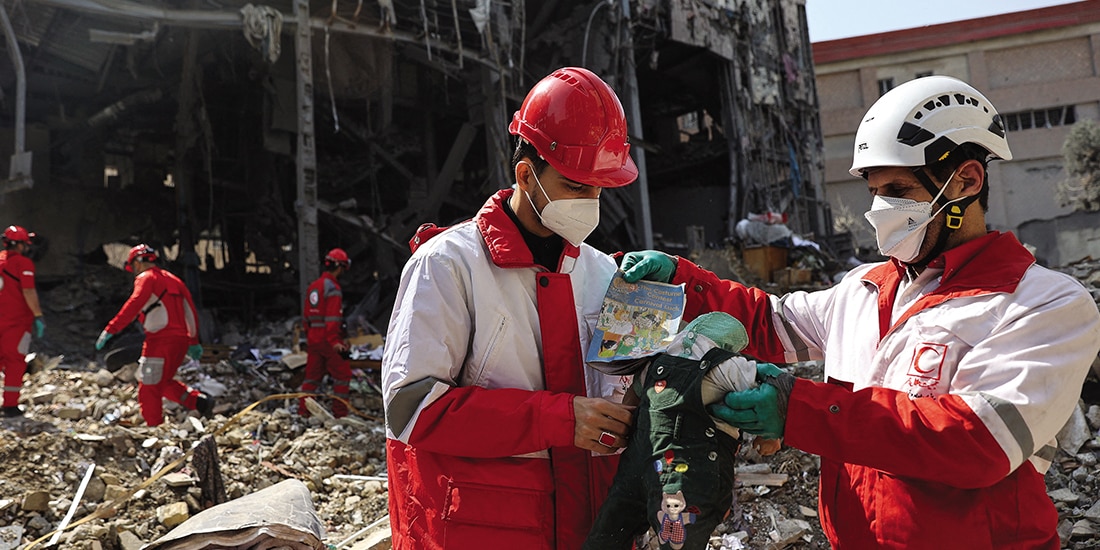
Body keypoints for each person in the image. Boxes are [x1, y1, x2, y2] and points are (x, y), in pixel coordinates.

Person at [620, 75, 1100, 549]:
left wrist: (799, 409)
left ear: (966, 181)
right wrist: (684, 284)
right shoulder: (862, 289)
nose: (878, 208)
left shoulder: (1043, 303)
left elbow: (978, 442)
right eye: (873, 190)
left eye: (897, 188)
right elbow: (770, 323)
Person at [382, 67, 640, 550]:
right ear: (527, 174)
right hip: (483, 530)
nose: (591, 203)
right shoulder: (448, 265)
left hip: (587, 527)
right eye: (576, 187)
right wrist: (561, 419)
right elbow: (410, 408)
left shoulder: (604, 273)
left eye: (600, 189)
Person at [584, 311, 780, 550]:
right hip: (674, 471)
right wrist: (768, 437)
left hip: (654, 467)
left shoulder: (661, 360)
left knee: (614, 527)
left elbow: (632, 400)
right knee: (664, 537)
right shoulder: (728, 365)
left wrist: (623, 427)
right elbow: (766, 397)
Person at [95, 244, 213, 426]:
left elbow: (133, 305)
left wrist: (111, 329)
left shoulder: (146, 278)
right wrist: (193, 340)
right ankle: (198, 402)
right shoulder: (175, 280)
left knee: (148, 386)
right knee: (163, 382)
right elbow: (190, 311)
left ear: (138, 263)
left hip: (159, 342)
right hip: (180, 342)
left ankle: (154, 427)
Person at [299, 248, 352, 418]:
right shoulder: (333, 288)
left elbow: (306, 317)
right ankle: (340, 414)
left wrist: (310, 336)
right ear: (340, 267)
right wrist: (336, 342)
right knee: (343, 375)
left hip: (314, 339)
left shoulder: (313, 286)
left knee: (311, 378)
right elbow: (332, 319)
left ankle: (304, 412)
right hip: (329, 340)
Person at [0, 225, 46, 417]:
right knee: (15, 362)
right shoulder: (23, 264)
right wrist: (38, 316)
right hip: (16, 322)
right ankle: (10, 406)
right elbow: (28, 291)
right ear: (19, 245)